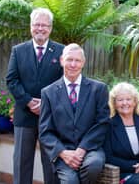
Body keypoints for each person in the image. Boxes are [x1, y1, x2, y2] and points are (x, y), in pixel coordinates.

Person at [6, 8, 64, 184]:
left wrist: (46, 104)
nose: (40, 28)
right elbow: (12, 80)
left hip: (51, 117)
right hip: (24, 116)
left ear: (50, 28)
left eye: (44, 25)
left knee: (51, 163)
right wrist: (29, 102)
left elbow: (64, 82)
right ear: (31, 27)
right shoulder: (18, 50)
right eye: (37, 24)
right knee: (21, 164)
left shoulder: (61, 51)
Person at [38, 43, 110, 184]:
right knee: (70, 181)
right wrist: (63, 153)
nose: (73, 64)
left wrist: (82, 149)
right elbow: (45, 131)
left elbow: (102, 123)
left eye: (77, 61)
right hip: (63, 151)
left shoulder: (99, 89)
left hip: (90, 149)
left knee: (93, 165)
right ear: (61, 60)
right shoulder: (48, 93)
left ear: (83, 63)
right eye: (69, 59)